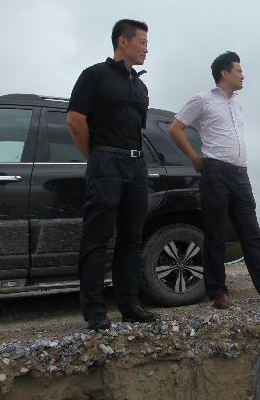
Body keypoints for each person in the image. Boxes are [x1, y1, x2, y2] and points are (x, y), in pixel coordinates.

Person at [169, 51, 260, 309]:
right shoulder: (203, 99)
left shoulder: (236, 105)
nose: (243, 75)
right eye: (239, 70)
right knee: (216, 233)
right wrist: (195, 158)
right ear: (224, 73)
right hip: (215, 171)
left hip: (240, 174)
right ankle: (218, 292)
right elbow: (175, 128)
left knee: (251, 233)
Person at [67, 19, 157, 330]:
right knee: (97, 238)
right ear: (123, 41)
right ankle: (94, 311)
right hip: (106, 162)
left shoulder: (141, 87)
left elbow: (140, 130)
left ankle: (130, 306)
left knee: (131, 238)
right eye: (142, 42)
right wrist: (96, 157)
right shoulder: (95, 75)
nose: (146, 48)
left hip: (136, 166)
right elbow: (75, 121)